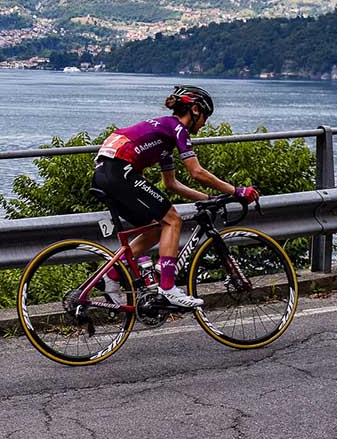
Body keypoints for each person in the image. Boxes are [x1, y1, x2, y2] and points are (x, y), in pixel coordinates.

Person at [92, 85, 257, 308]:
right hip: (119, 171)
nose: (205, 123)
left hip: (106, 174)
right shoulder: (177, 128)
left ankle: (111, 275)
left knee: (157, 227)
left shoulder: (164, 138)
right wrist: (236, 191)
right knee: (173, 219)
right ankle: (168, 288)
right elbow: (196, 172)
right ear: (195, 110)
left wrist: (208, 198)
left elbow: (171, 184)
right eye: (206, 116)